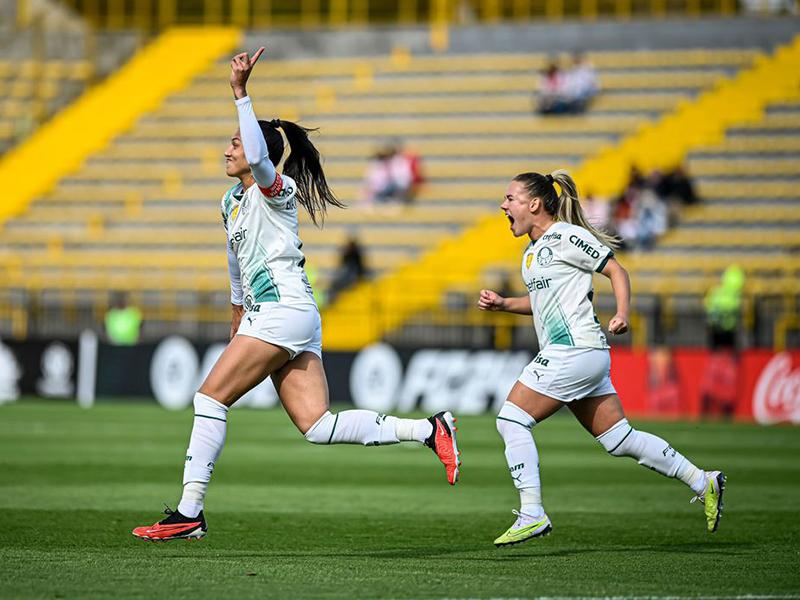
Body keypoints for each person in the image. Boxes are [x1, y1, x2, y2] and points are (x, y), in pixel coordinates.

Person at [132, 48, 460, 542]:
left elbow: (262, 161)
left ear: (256, 152)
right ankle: (429, 430)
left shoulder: (275, 188)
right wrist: (237, 321)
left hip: (283, 311)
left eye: (235, 144)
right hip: (286, 316)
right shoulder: (230, 202)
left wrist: (241, 93)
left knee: (209, 399)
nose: (227, 151)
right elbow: (236, 270)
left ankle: (189, 512)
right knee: (317, 426)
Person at [477, 170, 725, 547]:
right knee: (619, 439)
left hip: (573, 350)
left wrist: (623, 313)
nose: (503, 205)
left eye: (510, 198)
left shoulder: (566, 236)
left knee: (511, 419)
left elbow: (616, 270)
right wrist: (504, 304)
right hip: (582, 357)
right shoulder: (530, 253)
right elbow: (542, 304)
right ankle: (703, 479)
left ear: (534, 204)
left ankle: (532, 513)